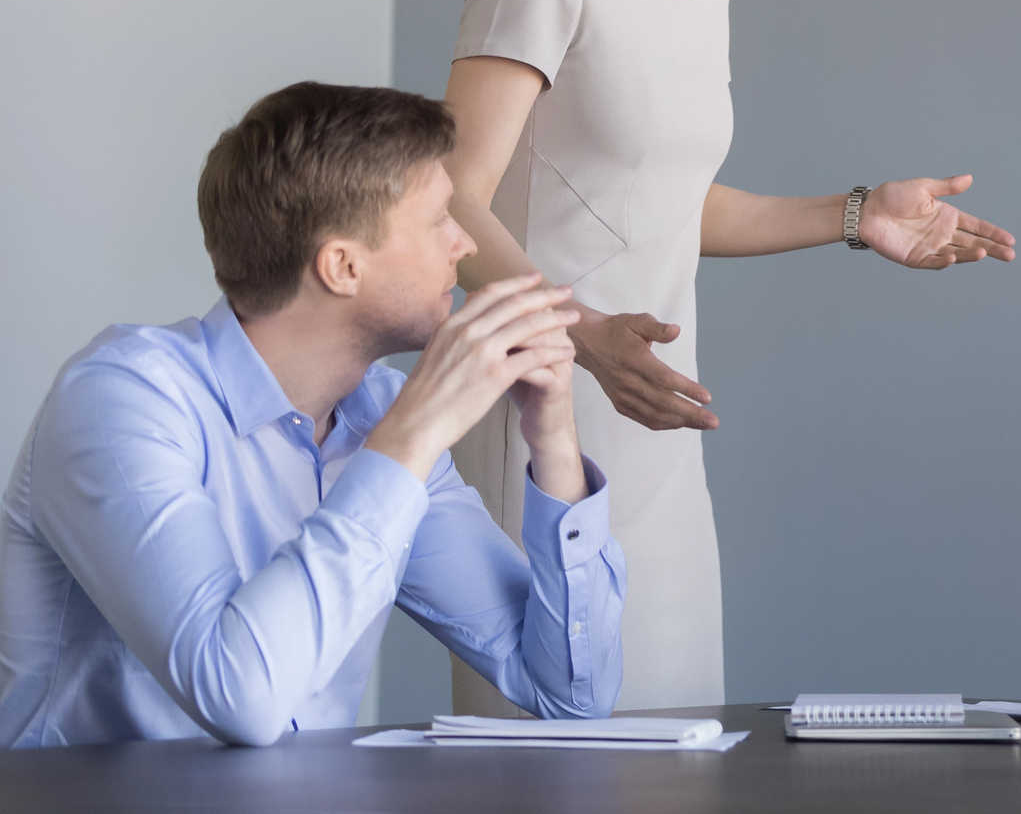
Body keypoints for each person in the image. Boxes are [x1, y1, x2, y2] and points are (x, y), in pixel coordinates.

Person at [442, 0, 1017, 711]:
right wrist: (578, 331)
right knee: (551, 754)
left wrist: (855, 217)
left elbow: (664, 200)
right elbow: (448, 196)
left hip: (657, 427)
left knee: (674, 744)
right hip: (543, 409)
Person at [0, 83, 623, 747]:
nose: (465, 244)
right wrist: (411, 437)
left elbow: (569, 691)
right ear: (342, 265)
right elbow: (240, 696)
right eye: (439, 217)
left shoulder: (380, 418)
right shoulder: (121, 401)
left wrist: (551, 436)